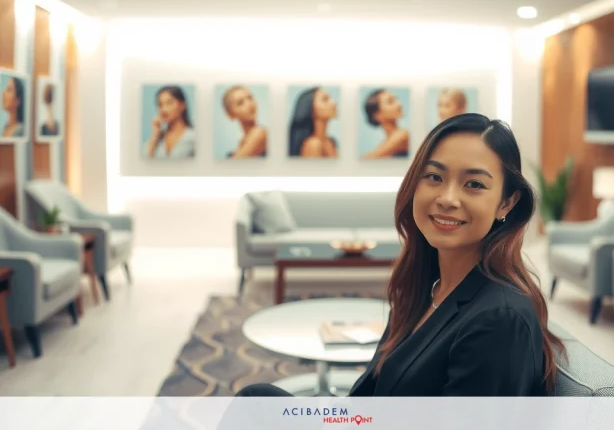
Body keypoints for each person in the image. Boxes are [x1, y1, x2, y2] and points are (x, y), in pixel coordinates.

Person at [236, 113, 565, 397]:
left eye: (474, 184)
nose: (447, 198)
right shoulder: (427, 287)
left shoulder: (500, 320)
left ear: (506, 203)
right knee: (258, 398)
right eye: (434, 177)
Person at [143, 86, 195, 159]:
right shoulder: (156, 139)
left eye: (169, 103)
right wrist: (155, 135)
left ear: (182, 105)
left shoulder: (193, 137)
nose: (164, 109)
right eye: (160, 105)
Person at [288, 86, 338, 158]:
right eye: (325, 99)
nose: (334, 102)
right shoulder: (313, 145)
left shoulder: (330, 142)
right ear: (310, 108)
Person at [222, 85, 267, 158]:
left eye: (250, 98)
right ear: (230, 114)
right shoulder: (242, 142)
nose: (249, 104)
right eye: (240, 103)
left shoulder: (259, 133)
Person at [363, 89, 409, 158]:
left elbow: (370, 157)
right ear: (377, 115)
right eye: (391, 102)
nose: (399, 104)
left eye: (396, 99)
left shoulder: (403, 135)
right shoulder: (386, 142)